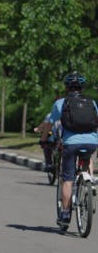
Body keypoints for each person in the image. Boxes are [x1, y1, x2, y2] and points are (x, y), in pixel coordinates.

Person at [39, 73, 98, 229]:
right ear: (82, 87)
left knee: (67, 179)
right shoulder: (91, 102)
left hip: (71, 144)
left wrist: (44, 140)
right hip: (92, 142)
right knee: (86, 156)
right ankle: (89, 182)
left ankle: (65, 214)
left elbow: (49, 125)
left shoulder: (60, 103)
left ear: (66, 87)